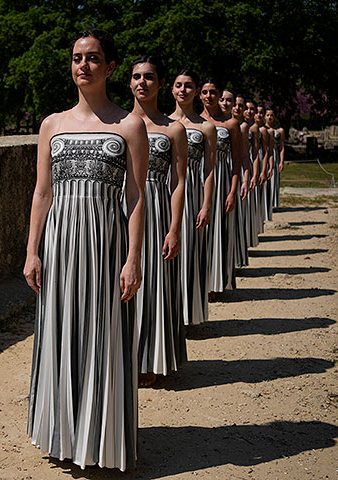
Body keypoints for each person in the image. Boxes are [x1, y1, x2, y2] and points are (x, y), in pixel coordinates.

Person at [24, 29, 148, 471]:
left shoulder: (129, 125)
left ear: (110, 66)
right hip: (59, 246)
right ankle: (62, 434)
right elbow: (42, 193)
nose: (83, 65)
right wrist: (32, 251)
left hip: (105, 246)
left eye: (93, 58)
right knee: (61, 332)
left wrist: (133, 259)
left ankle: (101, 438)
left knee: (102, 335)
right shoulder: (52, 125)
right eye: (77, 57)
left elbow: (135, 197)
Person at [131, 55, 187, 386]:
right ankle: (122, 355)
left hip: (157, 208)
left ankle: (150, 357)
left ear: (160, 84)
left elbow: (180, 182)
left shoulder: (173, 129)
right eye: (136, 77)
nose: (142, 82)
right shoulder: (118, 124)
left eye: (149, 77)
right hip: (122, 210)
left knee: (153, 285)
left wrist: (175, 227)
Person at [169, 69, 216, 329]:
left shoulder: (205, 127)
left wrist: (207, 204)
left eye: (188, 86)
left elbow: (209, 169)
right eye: (178, 85)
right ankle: (170, 312)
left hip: (194, 193)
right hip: (166, 193)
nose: (183, 90)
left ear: (196, 91)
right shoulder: (161, 123)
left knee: (190, 252)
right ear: (172, 89)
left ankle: (189, 313)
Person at [200, 78, 241, 296]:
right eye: (205, 92)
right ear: (200, 95)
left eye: (213, 92)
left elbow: (237, 160)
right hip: (197, 181)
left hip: (222, 180)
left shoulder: (231, 124)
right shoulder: (193, 122)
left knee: (218, 231)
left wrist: (233, 191)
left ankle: (216, 282)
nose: (209, 96)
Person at [224, 90, 250, 268]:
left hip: (229, 174)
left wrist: (246, 178)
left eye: (231, 101)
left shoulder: (241, 127)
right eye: (223, 100)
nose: (226, 104)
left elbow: (244, 156)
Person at [242, 99, 262, 247]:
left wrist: (255, 174)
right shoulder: (233, 124)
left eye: (252, 109)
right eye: (246, 108)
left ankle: (248, 237)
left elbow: (255, 153)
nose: (249, 111)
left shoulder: (254, 128)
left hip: (246, 165)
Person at [255, 105, 273, 222]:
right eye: (257, 112)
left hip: (260, 159)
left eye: (261, 112)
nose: (258, 115)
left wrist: (267, 168)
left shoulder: (264, 131)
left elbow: (268, 151)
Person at [265, 108, 284, 209]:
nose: (269, 117)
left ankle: (272, 203)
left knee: (273, 179)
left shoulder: (280, 130)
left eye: (271, 115)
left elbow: (282, 147)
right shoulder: (261, 129)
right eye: (267, 115)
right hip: (264, 154)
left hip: (275, 155)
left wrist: (281, 161)